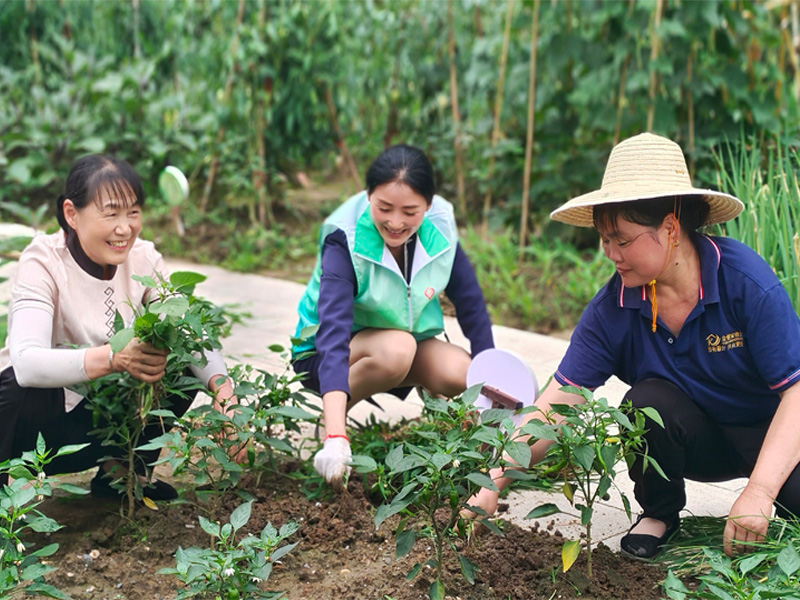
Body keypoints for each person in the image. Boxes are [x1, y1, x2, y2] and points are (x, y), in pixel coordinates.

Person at [470, 132, 800, 559]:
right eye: (604, 239)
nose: (611, 254)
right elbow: (556, 403)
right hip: (694, 440)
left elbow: (796, 391)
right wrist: (492, 482)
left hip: (767, 434)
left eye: (622, 240)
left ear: (669, 228)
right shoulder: (617, 306)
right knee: (646, 401)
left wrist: (759, 491)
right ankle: (659, 512)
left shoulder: (743, 283)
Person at [0, 155, 237, 501]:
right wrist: (113, 358)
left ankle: (122, 472)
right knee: (19, 384)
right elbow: (26, 362)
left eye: (133, 212)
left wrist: (223, 388)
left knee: (174, 353)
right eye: (110, 213)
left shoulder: (143, 258)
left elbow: (187, 330)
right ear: (71, 214)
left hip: (100, 418)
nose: (124, 227)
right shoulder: (44, 261)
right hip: (35, 427)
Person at [292, 144, 494, 489]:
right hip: (327, 353)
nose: (395, 222)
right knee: (397, 349)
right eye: (384, 208)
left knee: (463, 372)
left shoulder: (441, 226)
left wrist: (493, 373)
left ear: (428, 206)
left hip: (406, 344)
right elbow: (334, 332)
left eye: (410, 211)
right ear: (368, 195)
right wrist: (337, 435)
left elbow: (470, 301)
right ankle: (332, 428)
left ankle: (448, 412)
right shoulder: (345, 236)